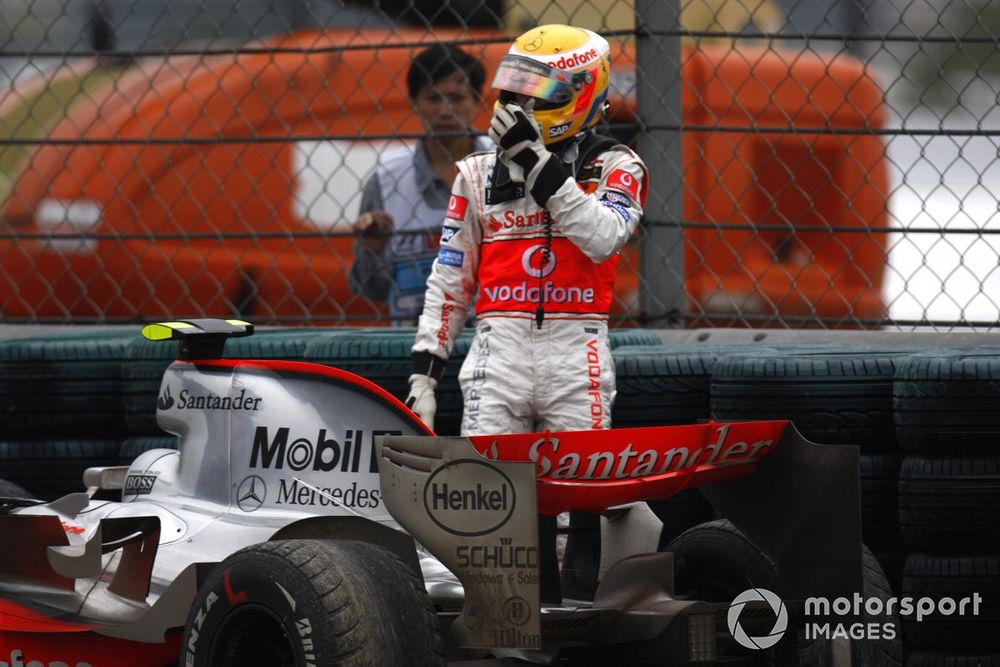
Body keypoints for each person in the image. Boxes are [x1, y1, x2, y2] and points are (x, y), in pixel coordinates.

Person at [405, 23, 648, 604]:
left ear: (579, 93)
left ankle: (578, 621)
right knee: (486, 492)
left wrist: (540, 168)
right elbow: (449, 278)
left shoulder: (620, 166)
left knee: (580, 497)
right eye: (512, 90)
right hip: (498, 346)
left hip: (577, 344)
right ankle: (492, 619)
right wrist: (425, 373)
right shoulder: (475, 174)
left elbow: (601, 236)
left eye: (534, 94)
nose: (516, 106)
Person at [348, 43, 493, 324]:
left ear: (477, 101)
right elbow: (372, 288)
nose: (446, 110)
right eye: (433, 98)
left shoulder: (509, 164)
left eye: (457, 97)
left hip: (495, 343)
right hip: (414, 344)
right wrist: (373, 250)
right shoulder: (386, 179)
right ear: (415, 103)